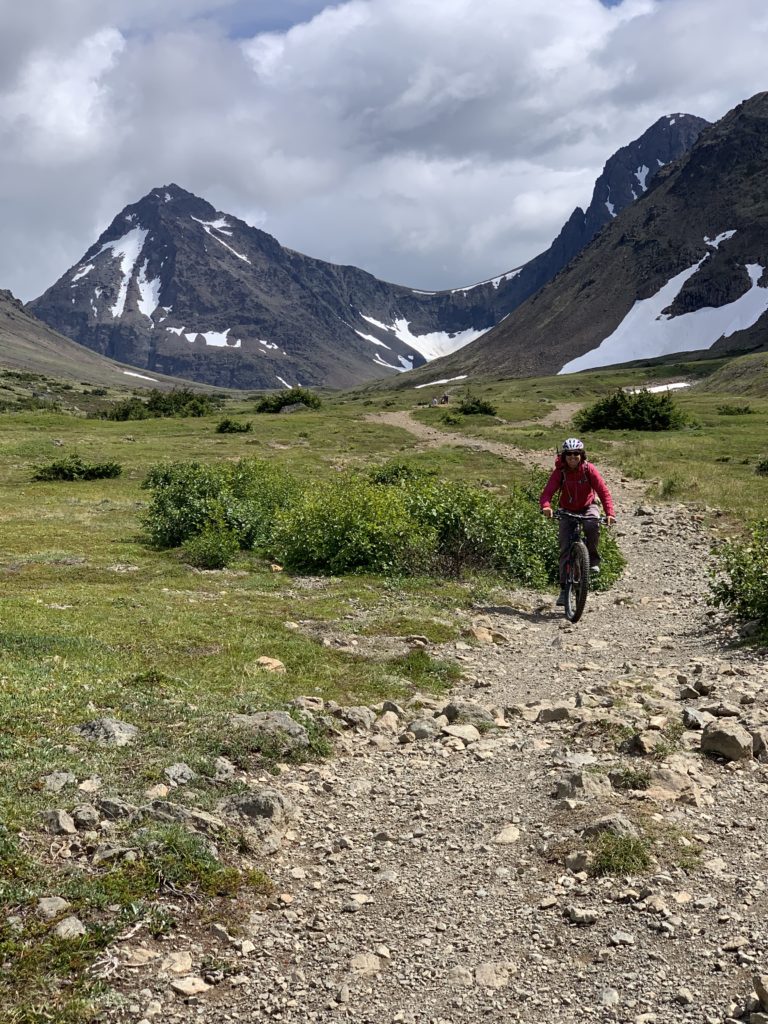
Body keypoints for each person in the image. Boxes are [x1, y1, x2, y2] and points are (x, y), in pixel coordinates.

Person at [540, 437, 616, 606]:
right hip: (566, 510)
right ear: (564, 456)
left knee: (592, 524)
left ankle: (593, 560)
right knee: (565, 547)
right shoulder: (560, 472)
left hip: (588, 506)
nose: (573, 458)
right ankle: (563, 589)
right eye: (569, 455)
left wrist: (610, 513)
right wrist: (546, 506)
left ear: (582, 455)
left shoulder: (589, 469)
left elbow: (603, 492)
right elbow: (547, 493)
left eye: (576, 454)